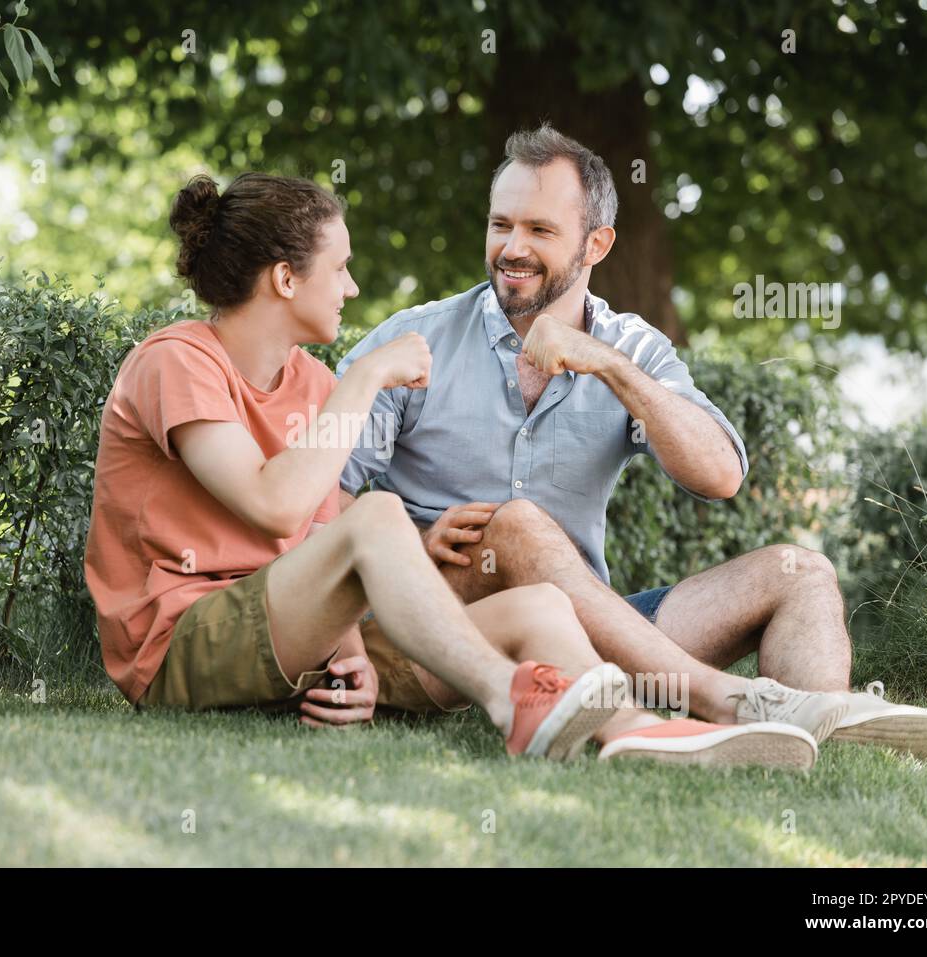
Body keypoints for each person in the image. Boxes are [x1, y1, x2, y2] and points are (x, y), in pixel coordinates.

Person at [84, 171, 822, 768]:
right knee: (377, 516)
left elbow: (314, 535)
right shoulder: (177, 361)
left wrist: (356, 658)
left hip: (285, 641)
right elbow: (273, 507)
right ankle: (511, 700)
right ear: (284, 279)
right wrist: (367, 375)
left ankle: (637, 734)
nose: (350, 288)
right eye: (339, 269)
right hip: (182, 644)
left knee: (542, 607)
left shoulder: (310, 384)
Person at [335, 125, 927, 763]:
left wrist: (606, 366)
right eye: (501, 225)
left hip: (586, 633)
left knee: (801, 573)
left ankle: (799, 738)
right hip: (439, 632)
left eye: (540, 231)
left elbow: (719, 474)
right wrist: (411, 546)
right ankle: (727, 700)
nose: (511, 248)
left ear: (597, 244)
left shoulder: (629, 348)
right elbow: (317, 496)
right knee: (517, 525)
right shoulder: (414, 342)